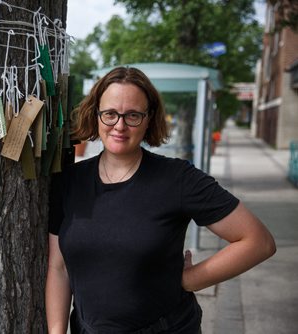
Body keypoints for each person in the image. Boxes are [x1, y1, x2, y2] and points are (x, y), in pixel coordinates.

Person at [45, 66, 276, 334]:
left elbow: (258, 241)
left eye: (132, 115)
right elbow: (58, 268)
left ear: (148, 118)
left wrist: (193, 279)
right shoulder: (70, 181)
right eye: (110, 114)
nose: (120, 125)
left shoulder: (177, 179)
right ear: (96, 115)